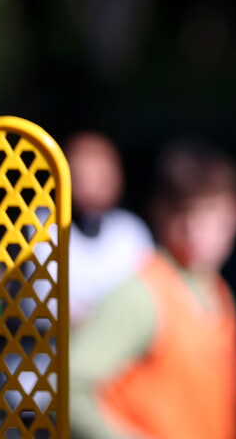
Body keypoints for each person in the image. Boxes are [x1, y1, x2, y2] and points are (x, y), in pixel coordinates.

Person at [69, 136, 236, 439]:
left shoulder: (220, 294)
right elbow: (71, 388)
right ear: (159, 212)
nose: (194, 228)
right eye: (181, 211)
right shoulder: (141, 295)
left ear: (235, 211)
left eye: (209, 211)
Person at [63, 130, 155, 326]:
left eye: (101, 177)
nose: (90, 187)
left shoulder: (131, 232)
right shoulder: (40, 229)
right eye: (81, 177)